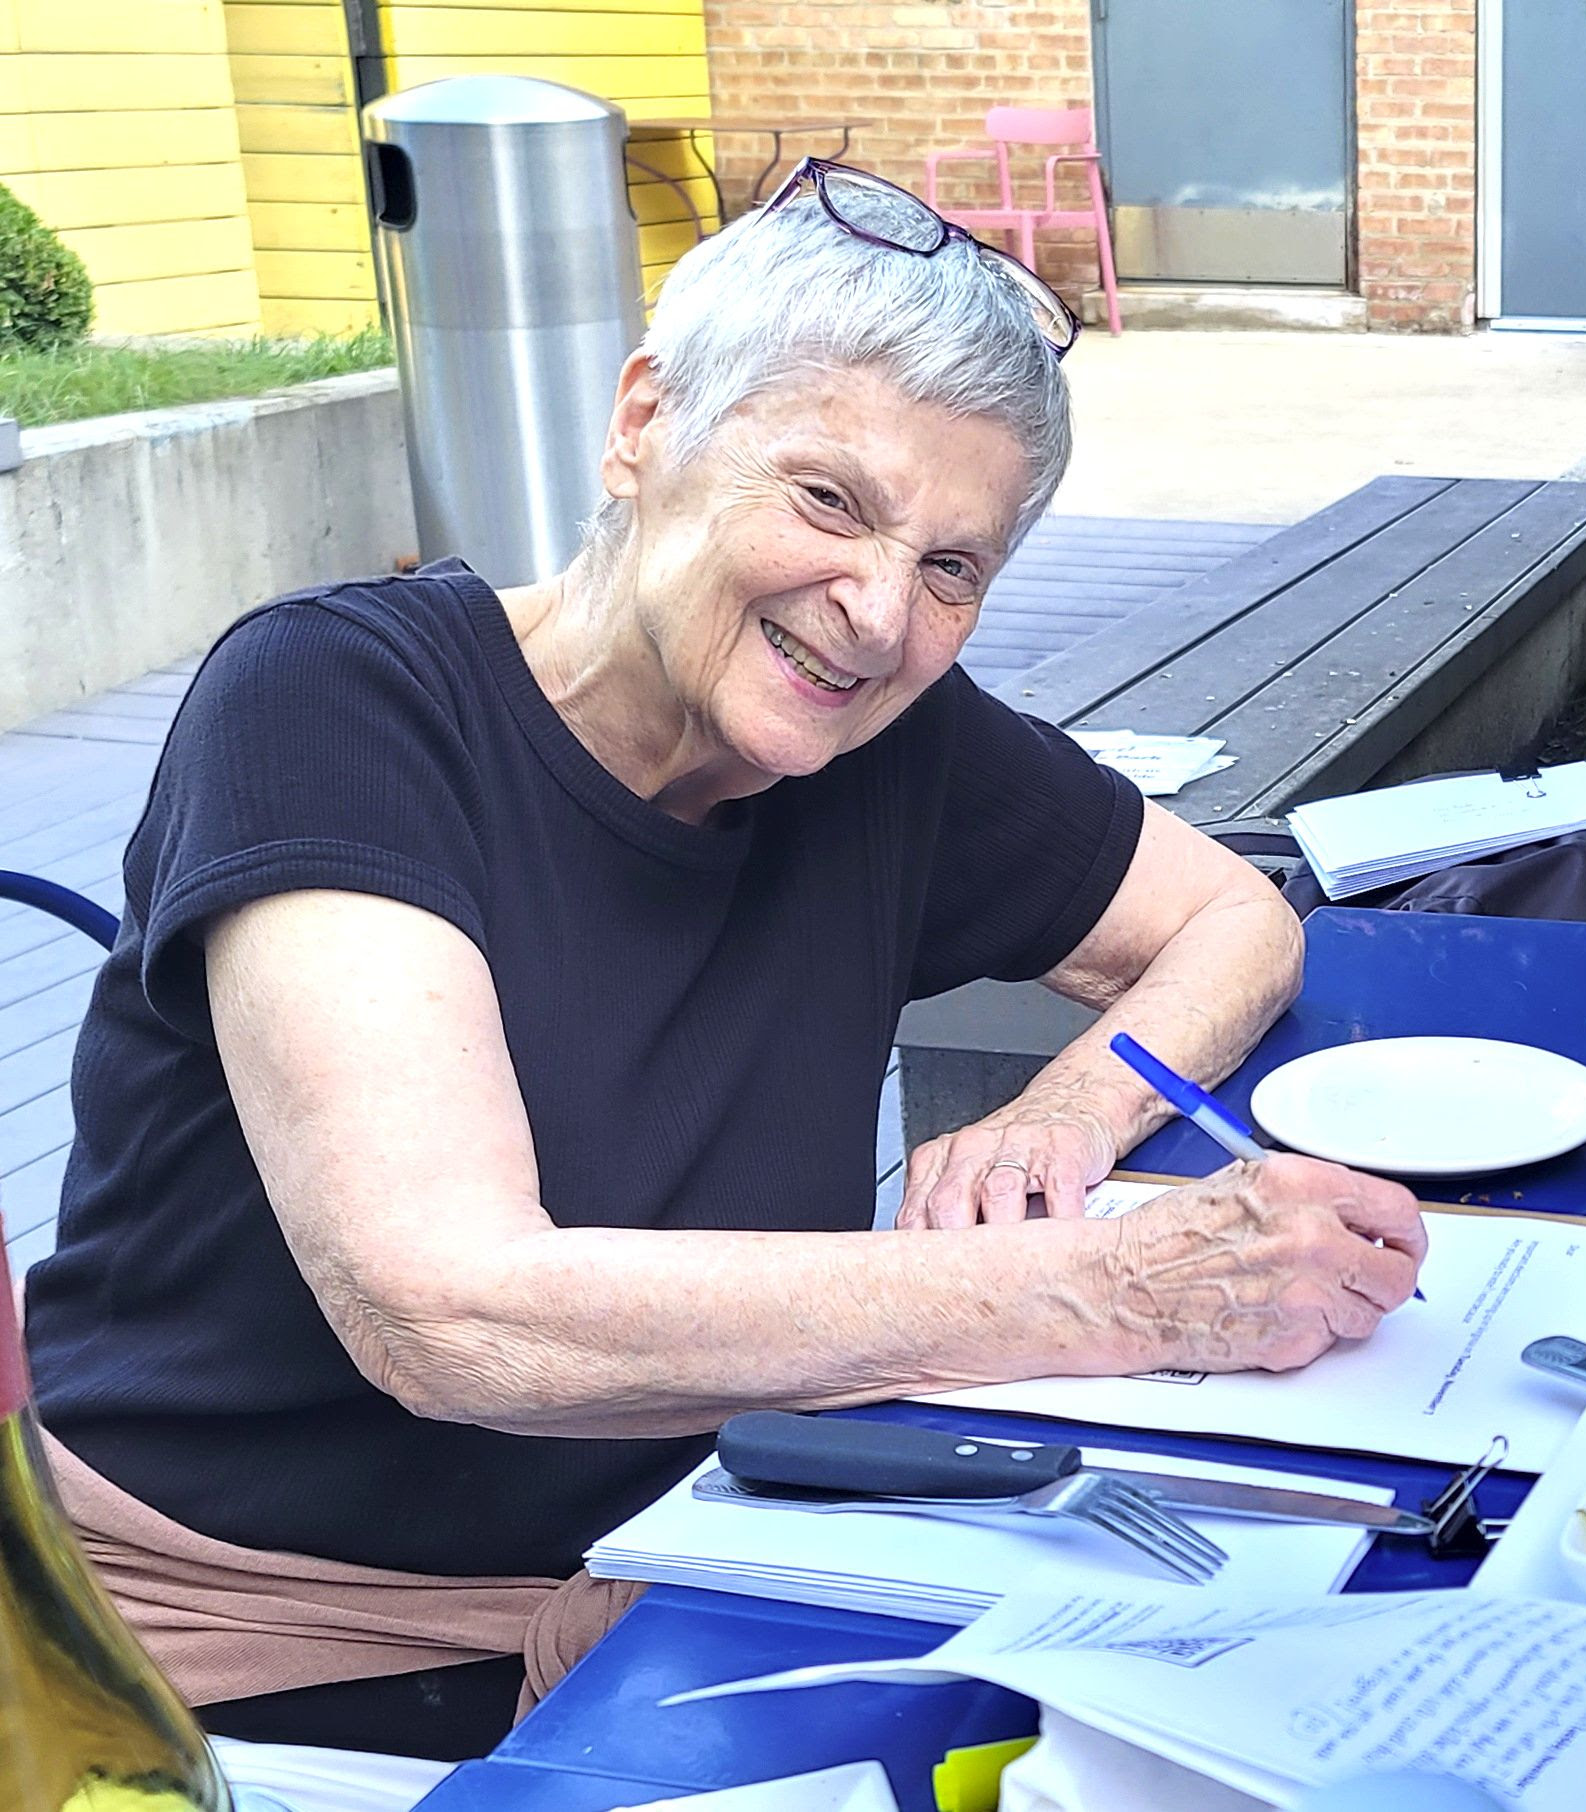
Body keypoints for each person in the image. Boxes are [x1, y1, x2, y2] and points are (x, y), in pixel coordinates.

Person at [20, 162, 1424, 1757]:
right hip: (240, 1643)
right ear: (643, 425)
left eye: (954, 567)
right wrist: (1118, 1288)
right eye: (830, 501)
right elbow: (449, 1314)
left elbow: (1235, 918)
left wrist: (1070, 1110)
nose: (879, 613)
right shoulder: (335, 703)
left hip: (702, 1556)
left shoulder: (884, 742)